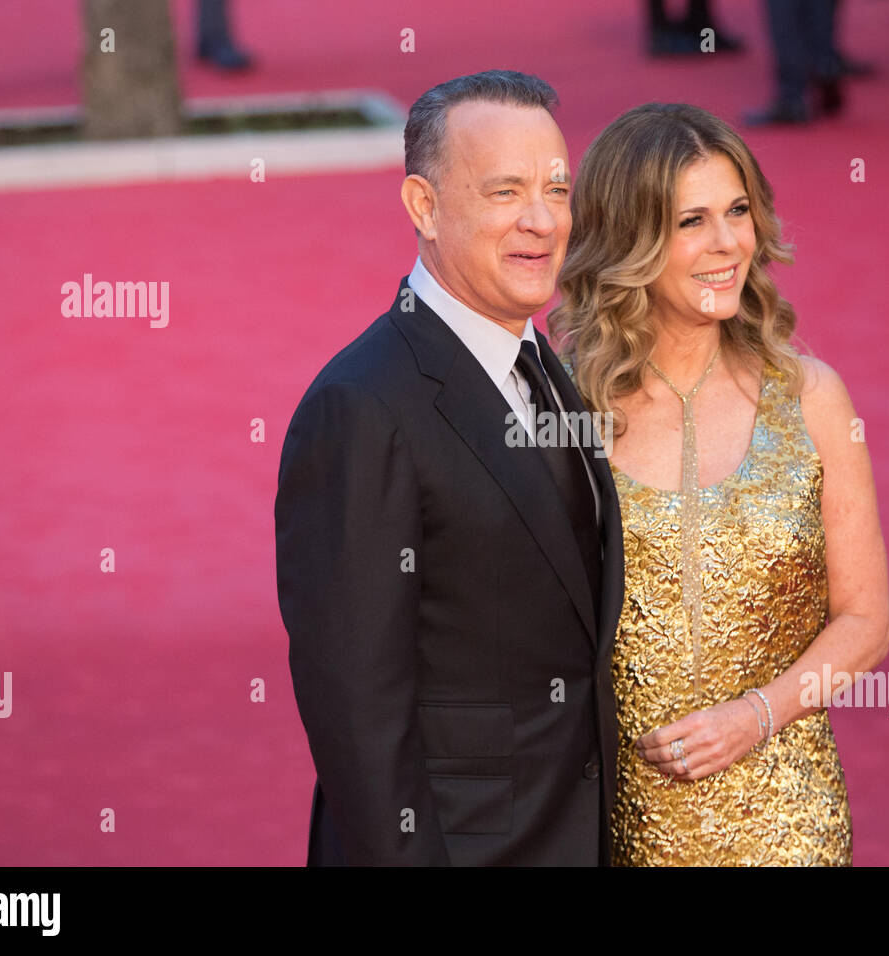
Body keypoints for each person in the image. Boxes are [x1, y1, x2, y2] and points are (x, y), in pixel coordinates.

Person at [274, 71, 625, 866]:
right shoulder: (361, 407)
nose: (542, 221)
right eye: (504, 192)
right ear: (423, 207)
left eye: (557, 189)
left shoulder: (545, 366)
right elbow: (357, 708)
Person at [549, 103, 889, 865]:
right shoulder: (565, 411)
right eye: (691, 221)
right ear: (629, 239)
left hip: (787, 819)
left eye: (738, 211)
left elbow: (867, 621)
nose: (729, 242)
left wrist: (756, 716)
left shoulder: (812, 397)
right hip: (617, 822)